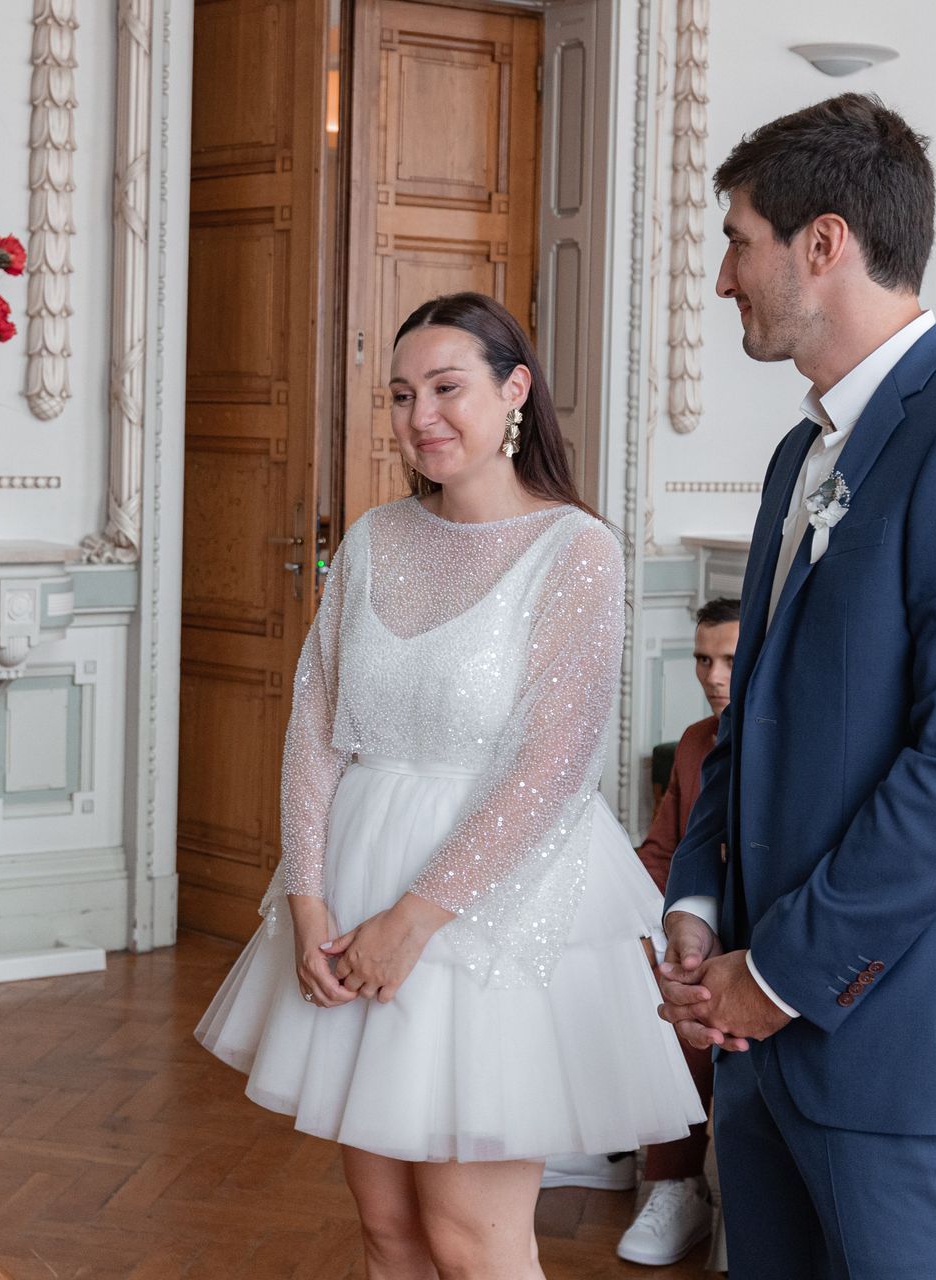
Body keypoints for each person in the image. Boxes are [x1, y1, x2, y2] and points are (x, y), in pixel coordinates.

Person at [654, 94, 936, 1279]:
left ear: (823, 242)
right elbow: (760, 714)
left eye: (740, 241)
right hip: (760, 1036)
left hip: (910, 1053)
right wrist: (697, 904)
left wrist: (780, 976)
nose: (726, 276)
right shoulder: (802, 451)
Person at [195, 292, 702, 1280]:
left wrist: (414, 919)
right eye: (398, 393)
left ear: (514, 390)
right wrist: (307, 899)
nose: (418, 414)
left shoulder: (576, 549)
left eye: (444, 387)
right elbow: (314, 723)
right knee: (387, 1229)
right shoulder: (377, 539)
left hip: (489, 910)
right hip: (349, 881)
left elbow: (555, 765)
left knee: (475, 1238)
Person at [598, 597, 740, 1267]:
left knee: (694, 994)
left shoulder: (795, 745)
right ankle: (646, 1165)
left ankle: (706, 1189)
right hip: (691, 930)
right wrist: (612, 920)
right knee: (629, 967)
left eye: (732, 660)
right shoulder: (693, 743)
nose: (715, 676)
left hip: (753, 940)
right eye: (703, 659)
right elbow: (660, 852)